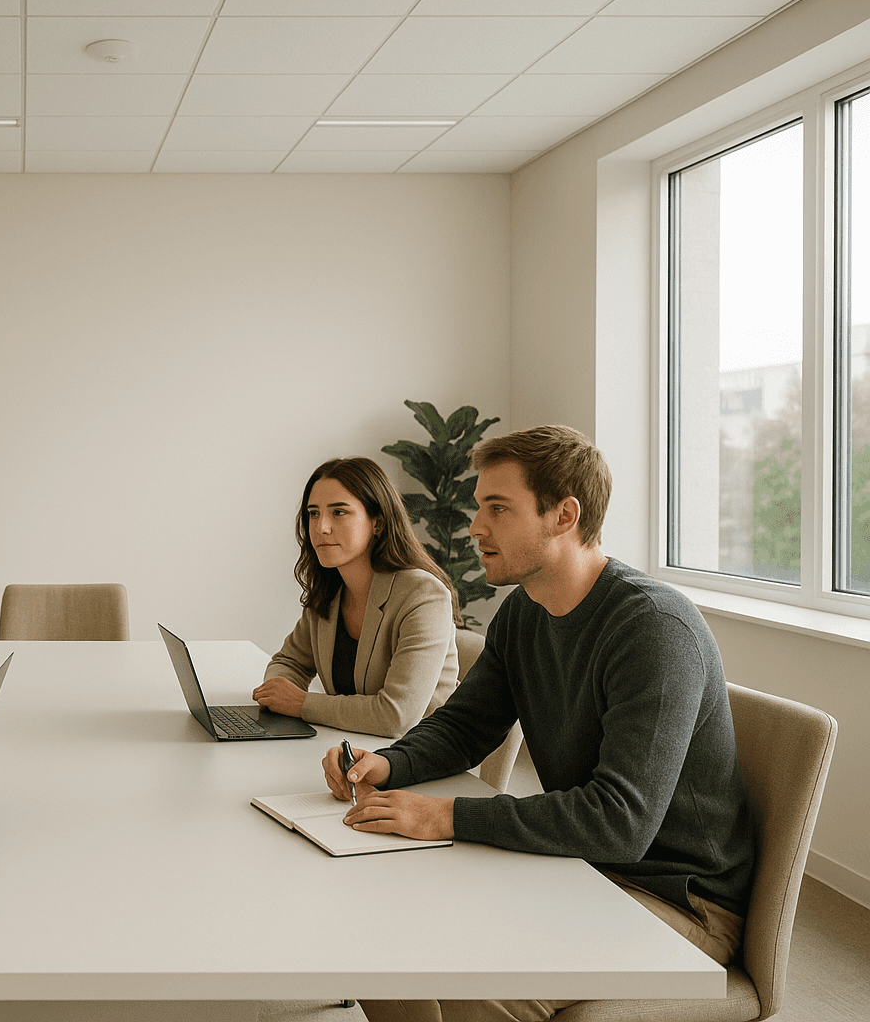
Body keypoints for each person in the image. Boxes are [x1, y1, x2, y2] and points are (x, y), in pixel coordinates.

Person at [321, 426, 754, 1022]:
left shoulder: (653, 629)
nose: (476, 527)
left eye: (497, 508)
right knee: (388, 933)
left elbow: (619, 821)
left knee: (479, 992)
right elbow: (467, 725)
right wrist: (389, 762)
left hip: (675, 900)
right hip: (580, 868)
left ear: (563, 516)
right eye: (479, 508)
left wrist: (444, 814)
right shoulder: (525, 610)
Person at [253, 457, 461, 737]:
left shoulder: (423, 595)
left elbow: (396, 717)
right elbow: (289, 662)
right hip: (349, 746)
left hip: (416, 757)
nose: (321, 527)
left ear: (377, 522)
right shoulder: (330, 589)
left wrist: (301, 703)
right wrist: (278, 693)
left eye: (339, 512)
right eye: (313, 513)